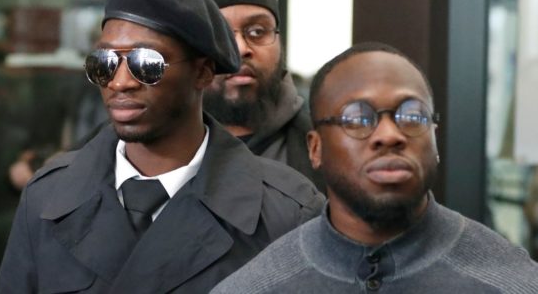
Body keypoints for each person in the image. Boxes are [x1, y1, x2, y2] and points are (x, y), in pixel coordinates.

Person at [0, 0, 324, 293]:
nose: (120, 82)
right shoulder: (47, 196)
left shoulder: (287, 212)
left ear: (203, 72)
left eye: (147, 64)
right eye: (104, 63)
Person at [211, 42, 538, 293]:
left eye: (411, 116)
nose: (389, 135)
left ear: (434, 140)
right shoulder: (256, 287)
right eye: (357, 118)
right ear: (316, 148)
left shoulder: (512, 283)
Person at [181, 0, 325, 192]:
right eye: (220, 34)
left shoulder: (320, 146)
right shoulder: (137, 147)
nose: (240, 48)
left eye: (258, 31)